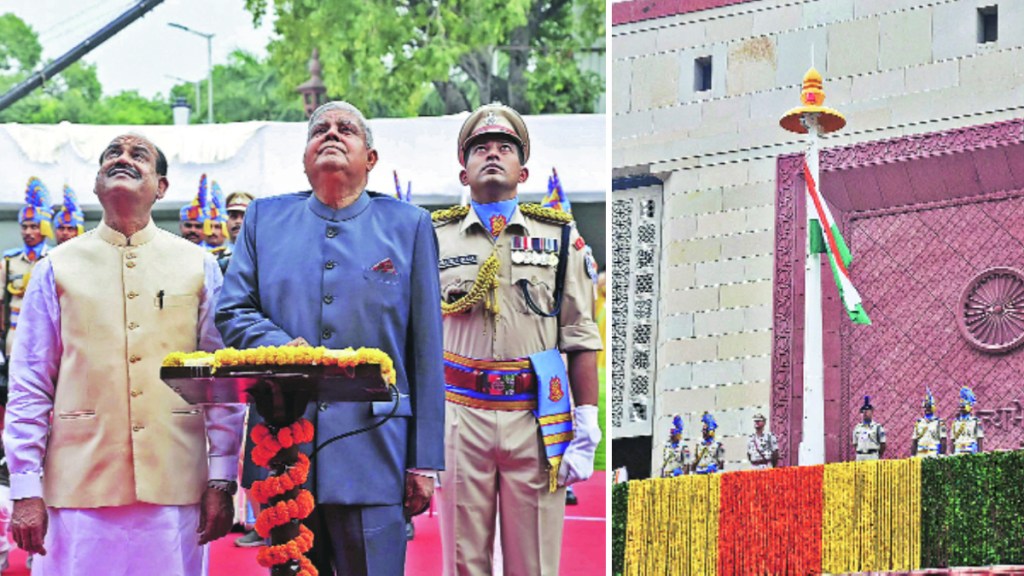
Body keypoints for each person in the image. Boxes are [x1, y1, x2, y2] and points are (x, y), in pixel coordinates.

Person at [216, 101, 444, 576]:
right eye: (320, 129)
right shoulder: (264, 220)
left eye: (347, 129)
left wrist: (425, 460)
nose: (332, 133)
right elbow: (233, 309)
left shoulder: (409, 226)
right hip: (282, 447)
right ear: (304, 158)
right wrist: (282, 347)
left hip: (376, 446)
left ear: (371, 158)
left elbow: (424, 350)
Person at [2, 133, 244, 576]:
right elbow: (30, 383)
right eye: (112, 154)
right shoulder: (56, 267)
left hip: (176, 483)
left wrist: (221, 479)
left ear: (162, 187)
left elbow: (219, 382)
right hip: (77, 486)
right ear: (96, 184)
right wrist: (24, 486)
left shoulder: (198, 265)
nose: (123, 159)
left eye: (139, 156)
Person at [433, 102, 602, 576]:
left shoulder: (560, 237)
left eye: (504, 148)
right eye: (479, 148)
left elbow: (579, 332)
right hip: (460, 414)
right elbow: (419, 335)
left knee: (535, 561)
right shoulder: (433, 237)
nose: (492, 154)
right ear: (463, 173)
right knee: (464, 560)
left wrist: (587, 419)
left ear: (522, 170)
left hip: (536, 415)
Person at [1, 178, 53, 362]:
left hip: (46, 338)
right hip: (15, 336)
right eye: (24, 227)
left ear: (44, 228)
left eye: (34, 226)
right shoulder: (9, 261)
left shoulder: (55, 259)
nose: (28, 232)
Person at [911, 388, 945, 457]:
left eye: (929, 407)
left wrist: (942, 455)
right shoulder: (919, 423)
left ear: (933, 407)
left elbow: (943, 440)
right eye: (925, 407)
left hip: (933, 454)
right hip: (920, 454)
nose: (927, 409)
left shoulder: (939, 422)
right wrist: (913, 455)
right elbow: (914, 441)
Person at [950, 386, 984, 455]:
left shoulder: (976, 422)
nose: (961, 408)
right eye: (960, 407)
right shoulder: (955, 423)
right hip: (958, 452)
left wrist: (980, 456)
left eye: (964, 406)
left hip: (970, 452)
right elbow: (953, 441)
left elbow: (979, 440)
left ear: (970, 407)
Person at [179, 174, 210, 245]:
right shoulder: (171, 253)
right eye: (188, 226)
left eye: (198, 226)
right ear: (180, 227)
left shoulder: (213, 255)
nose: (193, 230)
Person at [853, 396, 886, 461]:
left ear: (872, 412)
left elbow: (883, 444)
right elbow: (855, 444)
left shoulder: (877, 427)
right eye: (863, 411)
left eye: (867, 411)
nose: (865, 413)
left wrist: (877, 454)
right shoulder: (857, 428)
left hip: (872, 456)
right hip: (860, 456)